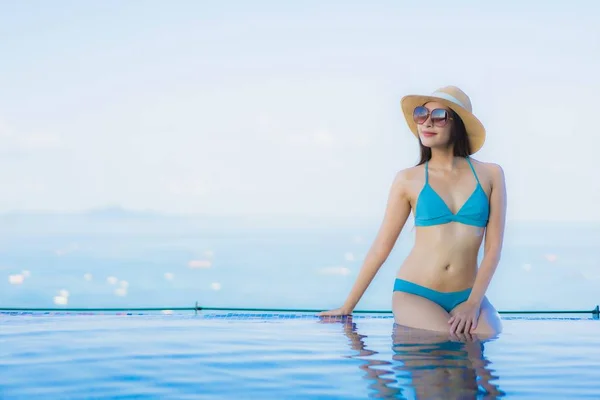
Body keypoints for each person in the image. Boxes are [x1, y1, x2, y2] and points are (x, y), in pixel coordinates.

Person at [319, 86, 506, 335]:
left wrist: (473, 303)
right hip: (416, 293)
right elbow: (381, 248)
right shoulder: (407, 179)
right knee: (450, 340)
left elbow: (493, 249)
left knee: (487, 336)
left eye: (438, 116)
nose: (427, 123)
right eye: (421, 114)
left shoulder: (491, 174)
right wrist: (348, 306)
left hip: (468, 295)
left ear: (457, 124)